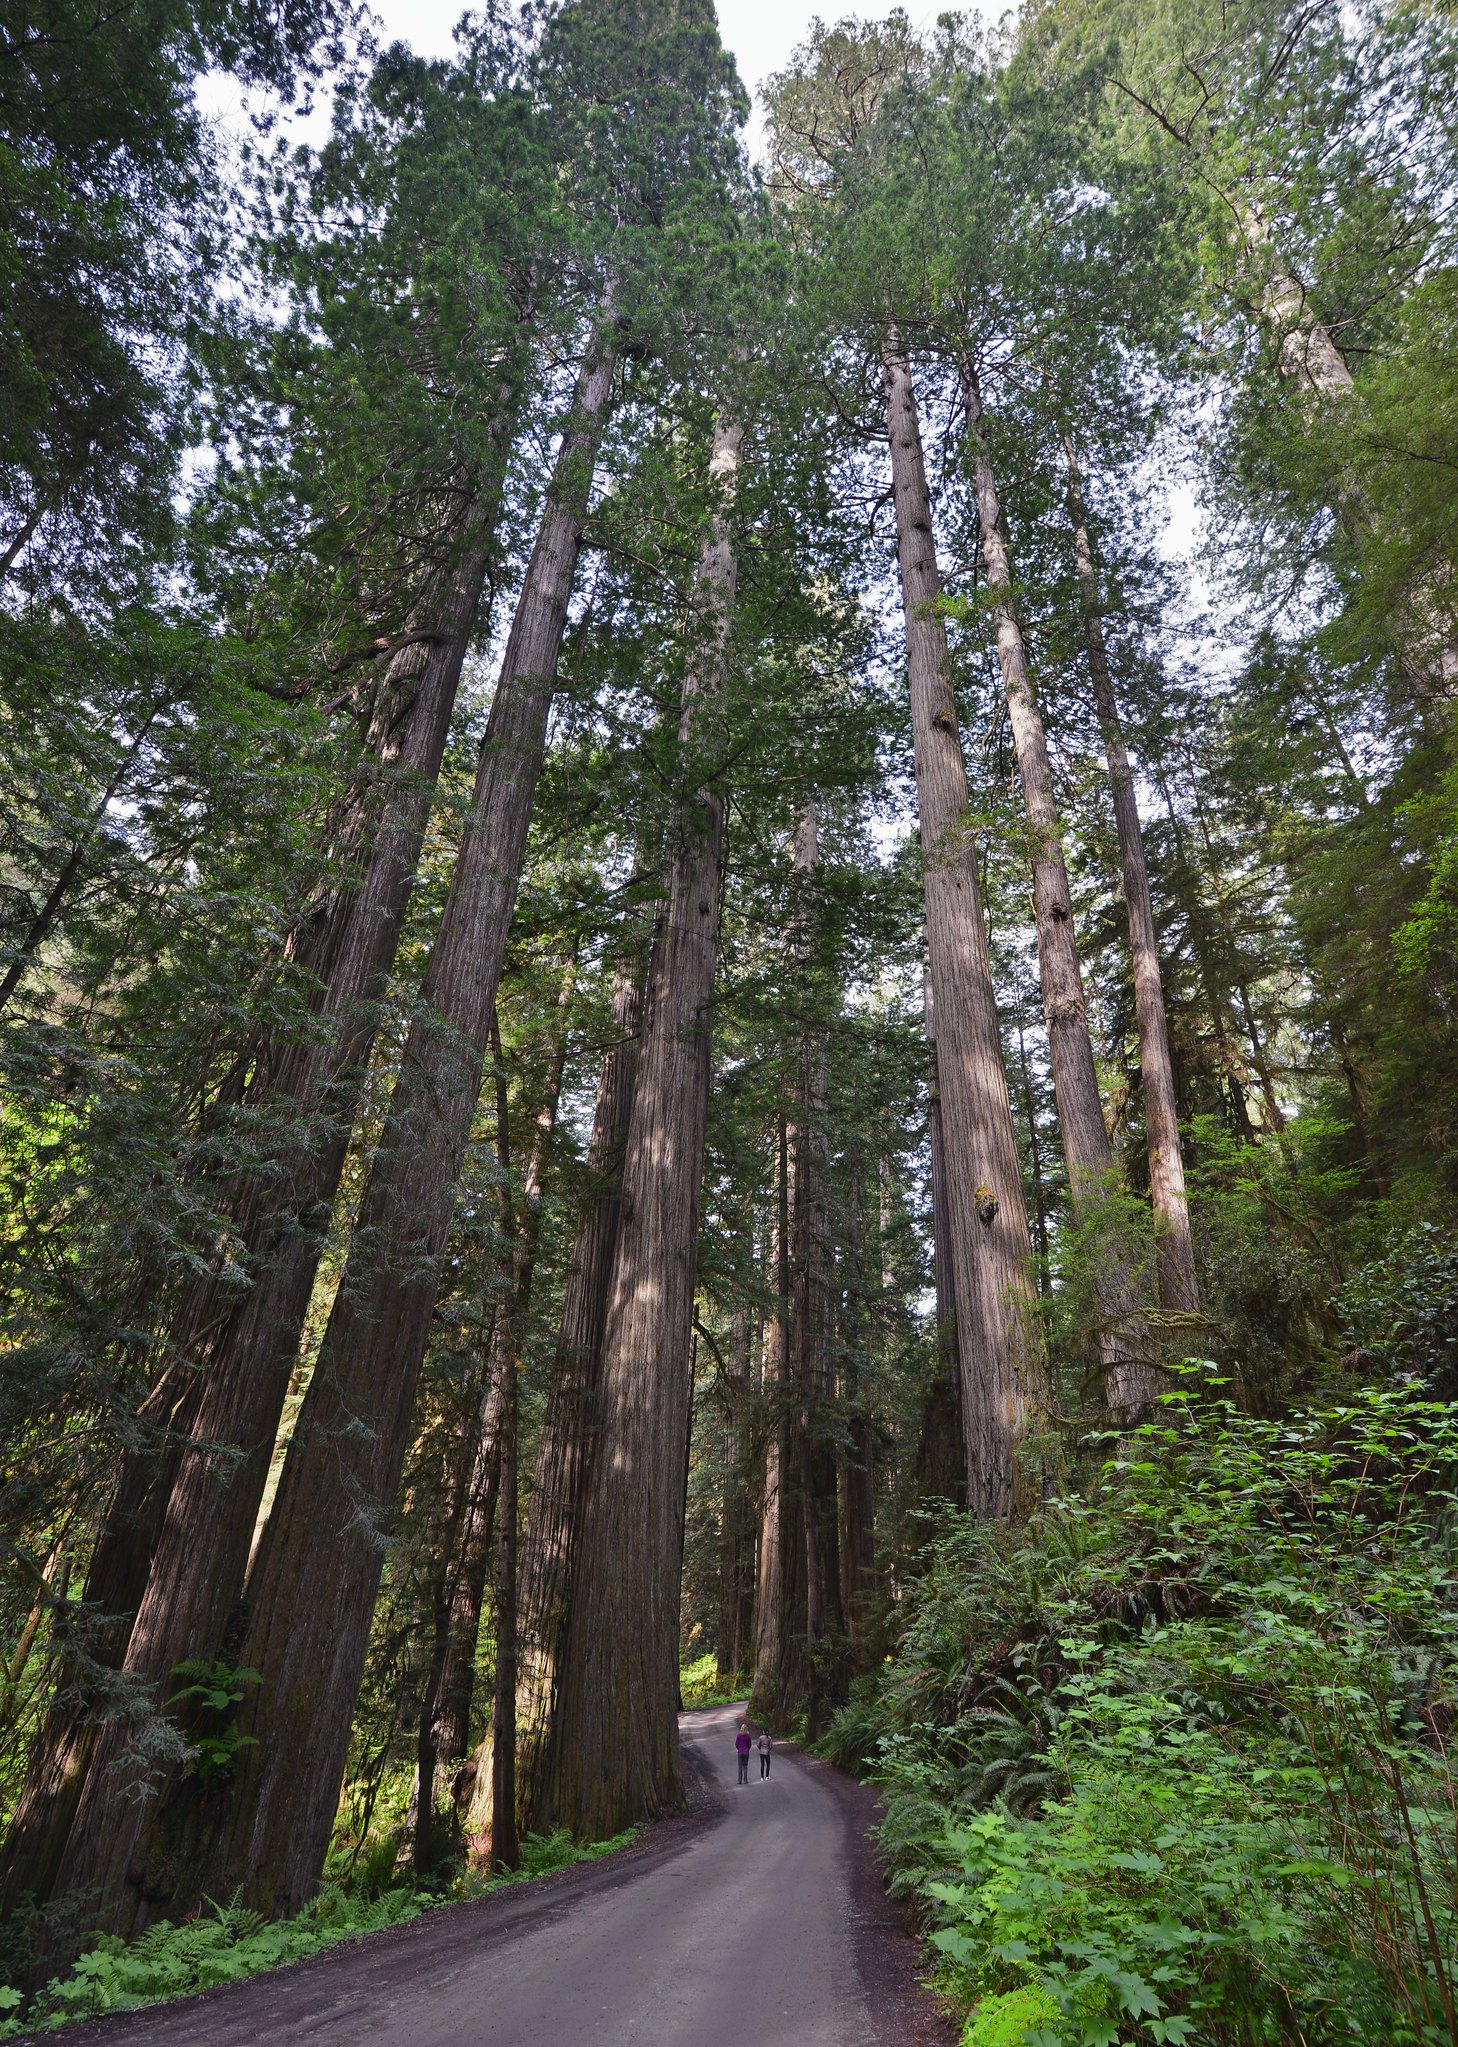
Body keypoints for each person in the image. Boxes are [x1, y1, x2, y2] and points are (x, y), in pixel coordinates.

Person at [735, 1720, 752, 1786]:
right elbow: (750, 1744)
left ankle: (739, 1780)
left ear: (741, 1729)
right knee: (745, 1766)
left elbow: (736, 1744)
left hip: (740, 1751)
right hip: (746, 1752)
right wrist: (747, 1749)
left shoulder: (739, 1735)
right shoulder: (748, 1736)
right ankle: (745, 1780)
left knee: (740, 1766)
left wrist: (739, 1748)